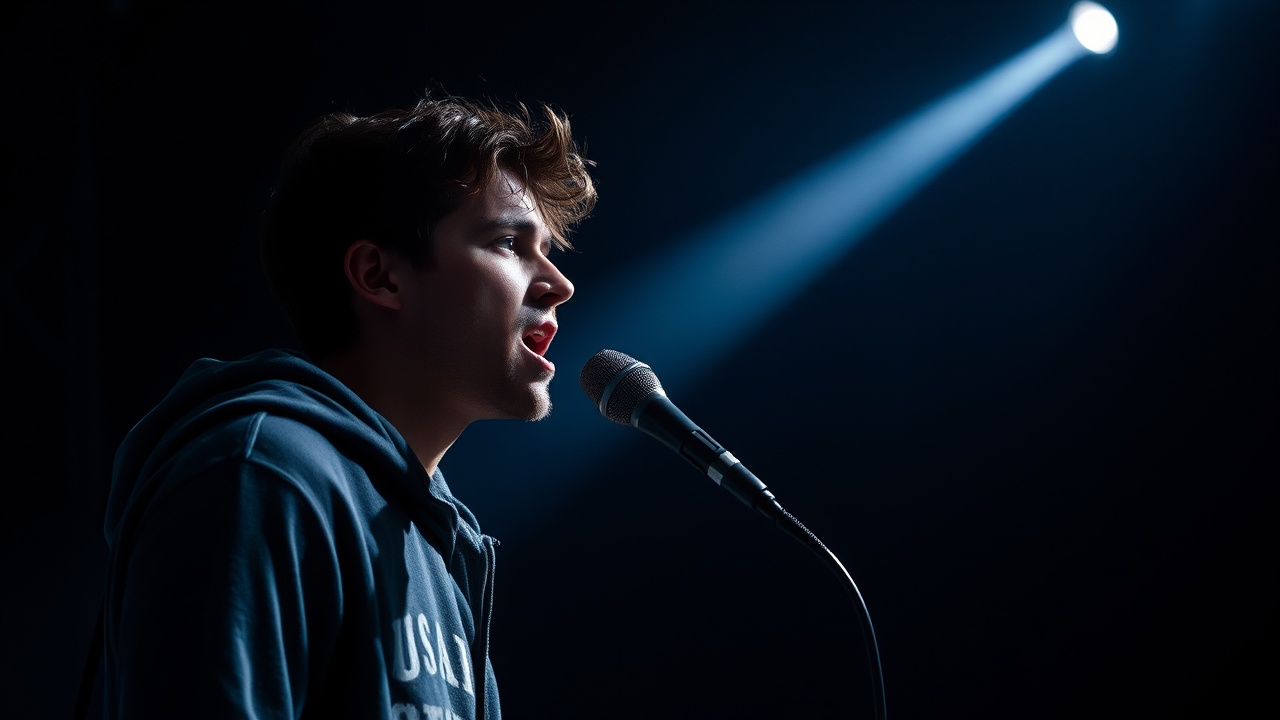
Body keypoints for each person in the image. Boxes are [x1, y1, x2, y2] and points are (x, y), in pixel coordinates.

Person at [99, 94, 597, 719]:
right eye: (507, 243)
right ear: (379, 275)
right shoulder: (261, 476)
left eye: (546, 249)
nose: (559, 283)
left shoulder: (442, 543)